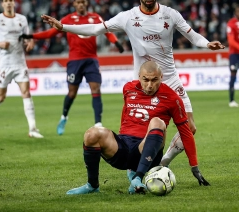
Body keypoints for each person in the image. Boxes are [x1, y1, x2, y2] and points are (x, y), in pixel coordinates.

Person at [40, 0, 224, 174]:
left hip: (170, 79)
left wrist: (207, 44)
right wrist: (63, 27)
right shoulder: (127, 17)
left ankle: (163, 163)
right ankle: (138, 164)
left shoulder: (171, 14)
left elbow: (192, 35)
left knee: (190, 127)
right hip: (143, 83)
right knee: (142, 130)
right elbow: (95, 30)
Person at [66, 61, 210, 195]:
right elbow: (125, 115)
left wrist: (194, 166)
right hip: (123, 147)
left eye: (154, 80)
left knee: (157, 122)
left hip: (147, 150)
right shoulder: (128, 88)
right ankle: (92, 185)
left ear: (161, 77)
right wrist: (121, 136)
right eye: (145, 80)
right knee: (92, 134)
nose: (149, 85)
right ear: (139, 77)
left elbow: (186, 132)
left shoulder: (172, 98)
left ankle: (138, 177)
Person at [20, 0, 124, 135]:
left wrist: (116, 42)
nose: (81, 4)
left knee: (96, 89)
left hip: (91, 59)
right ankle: (64, 117)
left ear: (86, 3)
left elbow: (107, 31)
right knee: (72, 92)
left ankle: (98, 123)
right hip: (75, 61)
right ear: (74, 4)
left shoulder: (95, 18)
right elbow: (51, 33)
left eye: (83, 2)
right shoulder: (68, 19)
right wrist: (32, 36)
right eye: (78, 2)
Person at [0, 0, 43, 138]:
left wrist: (30, 43)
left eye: (11, 0)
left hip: (19, 63)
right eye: (6, 0)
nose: (9, 3)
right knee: (1, 97)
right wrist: (0, 44)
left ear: (15, 2)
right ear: (2, 4)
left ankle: (32, 129)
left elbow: (27, 37)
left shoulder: (22, 19)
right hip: (4, 64)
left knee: (26, 93)